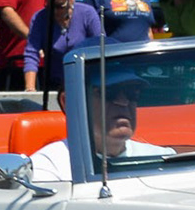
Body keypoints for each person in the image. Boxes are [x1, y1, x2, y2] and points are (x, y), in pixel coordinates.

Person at [26, 68, 174, 180]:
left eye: (132, 93)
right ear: (70, 102)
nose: (123, 102)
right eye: (108, 92)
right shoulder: (46, 169)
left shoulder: (163, 159)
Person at [24, 0, 103, 95]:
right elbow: (31, 53)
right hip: (53, 84)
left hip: (87, 82)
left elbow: (101, 48)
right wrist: (30, 88)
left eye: (59, 6)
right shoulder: (39, 18)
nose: (53, 11)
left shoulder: (87, 13)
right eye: (49, 5)